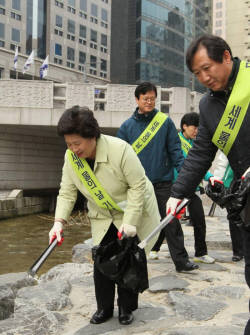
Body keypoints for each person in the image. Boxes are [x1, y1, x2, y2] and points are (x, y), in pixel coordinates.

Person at [166, 34, 250, 334]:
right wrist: (178, 193)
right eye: (196, 73)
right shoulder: (208, 106)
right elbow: (202, 153)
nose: (203, 78)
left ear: (226, 57)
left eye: (207, 68)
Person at [48, 106, 161, 326]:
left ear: (92, 136)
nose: (73, 149)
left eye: (77, 143)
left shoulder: (120, 150)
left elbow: (138, 186)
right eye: (69, 144)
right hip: (102, 213)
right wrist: (58, 222)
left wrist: (130, 223)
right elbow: (67, 191)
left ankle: (126, 309)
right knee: (101, 259)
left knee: (127, 258)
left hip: (131, 210)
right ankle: (104, 308)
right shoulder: (71, 158)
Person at [117, 82, 198, 272]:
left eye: (153, 99)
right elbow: (119, 159)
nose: (149, 102)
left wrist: (186, 178)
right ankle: (129, 261)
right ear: (137, 99)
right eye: (146, 99)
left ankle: (181, 261)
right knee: (132, 222)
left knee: (171, 222)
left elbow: (176, 152)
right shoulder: (127, 127)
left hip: (163, 183)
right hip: (138, 186)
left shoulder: (165, 122)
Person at [177, 112, 215, 264]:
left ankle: (200, 253)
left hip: (191, 189)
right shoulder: (176, 142)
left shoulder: (195, 144)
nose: (196, 131)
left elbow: (199, 166)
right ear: (184, 126)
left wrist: (209, 177)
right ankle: (155, 248)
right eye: (194, 127)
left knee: (199, 219)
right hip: (176, 187)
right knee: (168, 220)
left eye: (199, 128)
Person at [212, 151, 243, 262]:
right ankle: (238, 251)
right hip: (232, 183)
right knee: (233, 217)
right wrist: (217, 180)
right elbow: (222, 161)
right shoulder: (232, 138)